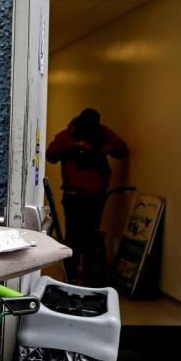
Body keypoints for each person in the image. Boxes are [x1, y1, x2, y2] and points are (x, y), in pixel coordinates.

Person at [46, 108, 128, 283]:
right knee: (73, 236)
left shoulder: (102, 133)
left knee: (91, 236)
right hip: (74, 194)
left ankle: (89, 277)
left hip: (96, 196)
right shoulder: (67, 136)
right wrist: (71, 148)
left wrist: (102, 149)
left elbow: (121, 149)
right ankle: (71, 276)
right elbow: (51, 155)